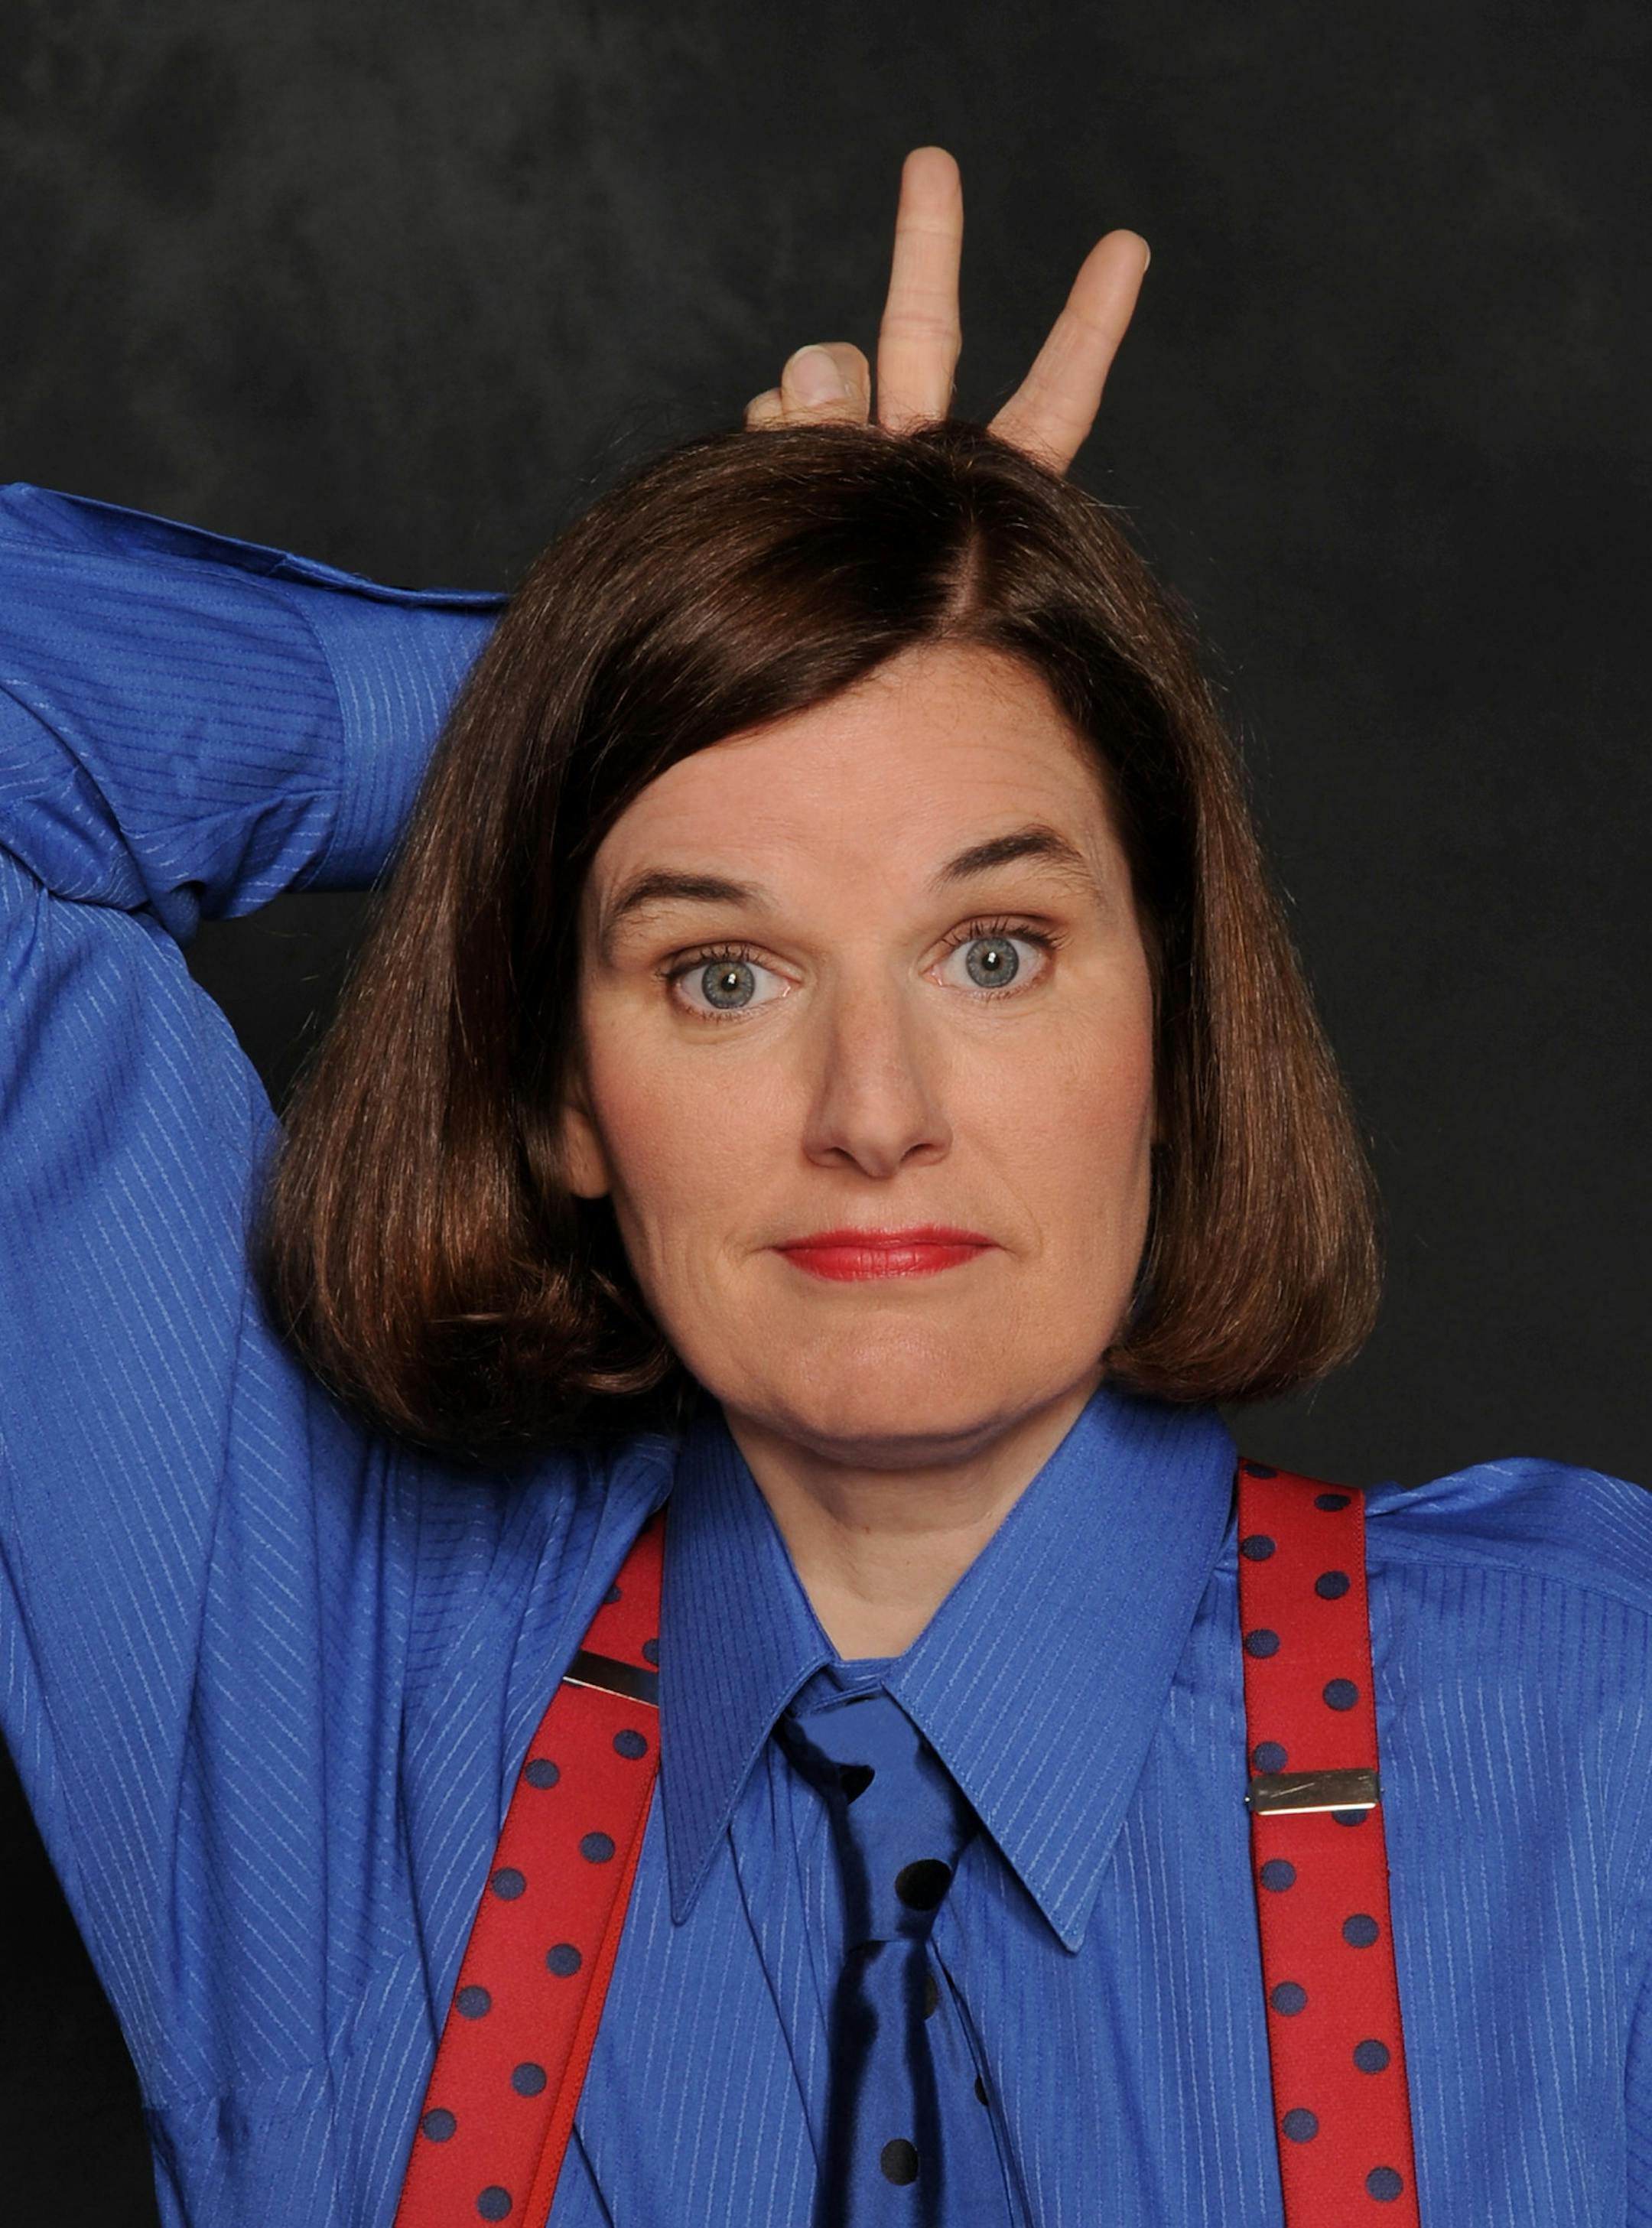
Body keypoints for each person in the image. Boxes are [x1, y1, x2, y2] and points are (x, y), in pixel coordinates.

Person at [1, 145, 1648, 2228]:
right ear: (567, 1090)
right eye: (723, 969)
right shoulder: (317, 1724)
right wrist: (654, 677)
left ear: (1178, 1030)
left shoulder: (1602, 1734)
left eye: (995, 953)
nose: (876, 1111)